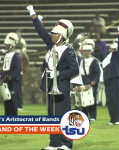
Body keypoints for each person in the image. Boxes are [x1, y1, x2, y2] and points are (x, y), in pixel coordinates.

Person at [27, 5, 82, 150]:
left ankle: (67, 144)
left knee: (62, 113)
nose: (51, 35)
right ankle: (54, 142)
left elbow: (75, 69)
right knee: (51, 114)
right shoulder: (51, 45)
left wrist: (58, 74)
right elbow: (41, 32)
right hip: (50, 84)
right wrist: (33, 15)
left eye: (55, 33)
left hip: (62, 84)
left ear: (62, 36)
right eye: (52, 33)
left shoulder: (68, 50)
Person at [102, 26, 119, 125]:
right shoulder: (107, 58)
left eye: (113, 48)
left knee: (116, 99)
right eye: (111, 48)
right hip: (108, 79)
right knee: (110, 100)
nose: (111, 49)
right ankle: (113, 119)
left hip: (117, 78)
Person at [0, 32, 22, 115]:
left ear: (12, 45)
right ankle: (7, 124)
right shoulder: (6, 54)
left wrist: (10, 76)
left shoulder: (16, 54)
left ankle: (14, 124)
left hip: (12, 82)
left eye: (7, 44)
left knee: (13, 104)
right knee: (6, 104)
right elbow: (4, 67)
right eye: (5, 44)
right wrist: (1, 76)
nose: (5, 45)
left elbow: (18, 68)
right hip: (5, 81)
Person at [79, 39, 101, 121]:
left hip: (91, 82)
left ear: (90, 51)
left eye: (87, 51)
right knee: (83, 100)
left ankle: (92, 116)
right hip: (83, 82)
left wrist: (94, 80)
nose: (86, 52)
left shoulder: (94, 60)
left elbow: (97, 72)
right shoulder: (81, 61)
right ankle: (85, 115)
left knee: (92, 100)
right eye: (84, 51)